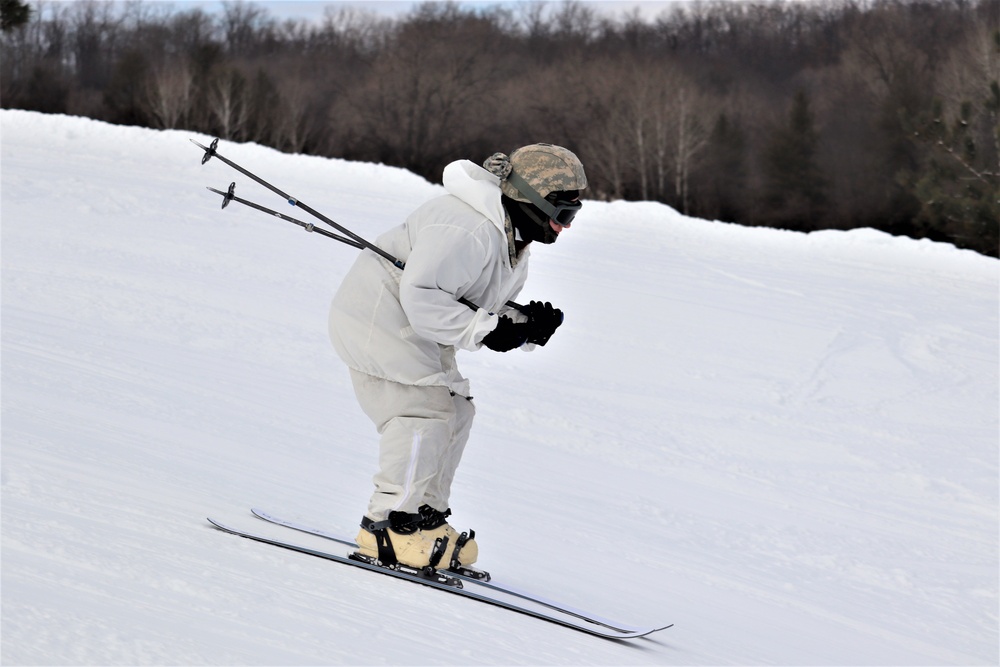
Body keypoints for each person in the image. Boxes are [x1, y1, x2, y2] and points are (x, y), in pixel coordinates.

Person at [328, 143, 587, 570]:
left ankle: (424, 517)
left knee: (456, 410)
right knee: (422, 413)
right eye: (563, 215)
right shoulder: (468, 228)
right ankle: (387, 527)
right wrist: (490, 329)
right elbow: (425, 298)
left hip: (415, 330)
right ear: (531, 201)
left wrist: (525, 326)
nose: (565, 228)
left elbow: (474, 303)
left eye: (572, 217)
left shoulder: (510, 236)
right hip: (379, 321)